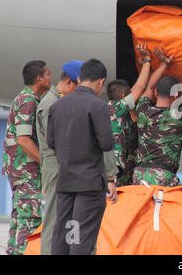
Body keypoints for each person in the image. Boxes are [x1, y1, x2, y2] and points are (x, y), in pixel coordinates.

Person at [36, 60, 118, 255]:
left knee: (64, 234)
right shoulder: (98, 106)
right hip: (89, 184)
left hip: (65, 183)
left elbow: (51, 141)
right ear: (101, 81)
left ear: (80, 79)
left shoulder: (57, 105)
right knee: (82, 237)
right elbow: (106, 144)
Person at [1, 60, 51, 255]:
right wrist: (45, 162)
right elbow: (23, 139)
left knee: (19, 218)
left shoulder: (26, 98)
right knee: (29, 219)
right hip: (25, 171)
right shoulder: (29, 101)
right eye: (47, 74)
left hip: (20, 169)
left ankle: (14, 251)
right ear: (39, 78)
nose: (50, 78)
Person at [133, 47, 182, 186]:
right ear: (175, 96)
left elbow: (148, 88)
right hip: (164, 175)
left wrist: (163, 64)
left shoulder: (143, 111)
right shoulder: (179, 116)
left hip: (140, 174)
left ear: (156, 93)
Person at [107, 43, 152, 186]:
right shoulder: (115, 109)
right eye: (129, 95)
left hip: (123, 169)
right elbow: (139, 88)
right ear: (122, 96)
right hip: (114, 170)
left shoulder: (120, 111)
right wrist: (147, 61)